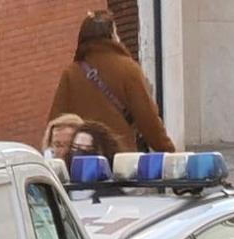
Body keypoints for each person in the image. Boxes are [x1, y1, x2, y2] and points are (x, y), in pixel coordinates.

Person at [48, 10, 175, 154]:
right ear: (112, 36)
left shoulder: (70, 74)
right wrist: (170, 153)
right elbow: (149, 123)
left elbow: (55, 123)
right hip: (120, 161)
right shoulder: (128, 69)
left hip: (81, 164)